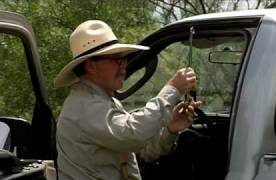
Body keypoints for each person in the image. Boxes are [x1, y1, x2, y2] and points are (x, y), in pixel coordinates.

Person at [55, 20, 200, 180]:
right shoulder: (83, 106)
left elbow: (141, 151)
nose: (123, 65)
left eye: (124, 58)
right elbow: (134, 135)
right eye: (116, 59)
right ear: (91, 66)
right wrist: (172, 89)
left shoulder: (102, 101)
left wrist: (171, 130)